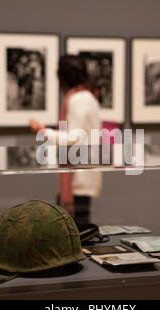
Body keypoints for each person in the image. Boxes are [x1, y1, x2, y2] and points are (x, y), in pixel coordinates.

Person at [30, 55, 102, 227]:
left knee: (74, 228)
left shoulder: (79, 99)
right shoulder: (87, 96)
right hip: (82, 172)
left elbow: (74, 137)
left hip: (79, 175)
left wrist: (42, 131)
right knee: (73, 225)